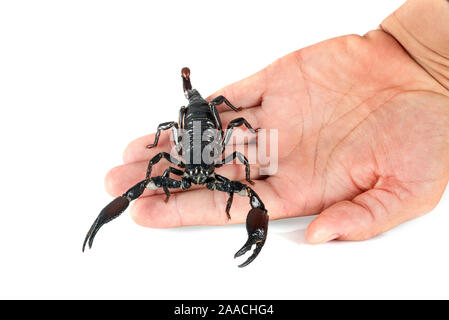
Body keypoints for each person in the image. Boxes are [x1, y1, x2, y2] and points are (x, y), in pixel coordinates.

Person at [105, 0, 449, 244]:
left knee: (230, 133)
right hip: (194, 124)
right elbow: (163, 157)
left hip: (204, 121)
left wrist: (424, 57)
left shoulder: (216, 151)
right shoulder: (180, 160)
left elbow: (237, 151)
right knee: (160, 163)